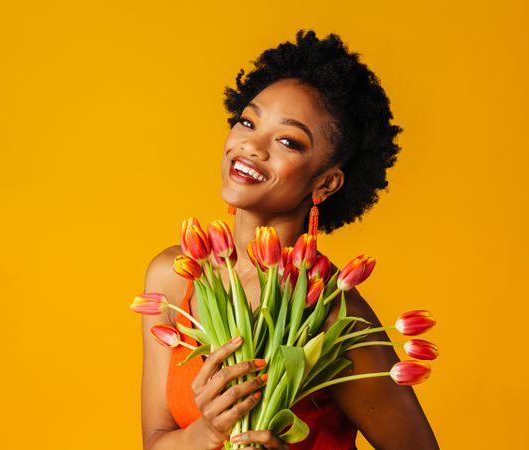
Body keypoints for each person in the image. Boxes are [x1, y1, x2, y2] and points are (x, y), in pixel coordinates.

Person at [140, 29, 439, 450]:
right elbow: (155, 442)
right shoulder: (174, 280)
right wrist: (208, 433)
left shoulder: (335, 316)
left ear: (326, 183)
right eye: (248, 121)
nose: (251, 146)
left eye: (287, 141)